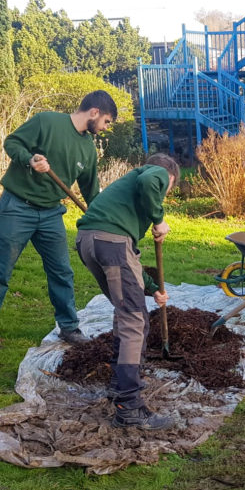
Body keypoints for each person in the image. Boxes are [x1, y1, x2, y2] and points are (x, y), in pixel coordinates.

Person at [0, 90, 117, 357]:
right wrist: (30, 159)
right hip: (17, 208)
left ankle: (68, 327)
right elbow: (13, 143)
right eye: (106, 122)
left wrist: (104, 219)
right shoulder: (47, 122)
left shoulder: (87, 148)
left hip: (51, 214)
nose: (104, 128)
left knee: (61, 272)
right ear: (94, 112)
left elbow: (91, 191)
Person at [75, 154, 179, 429]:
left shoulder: (121, 207)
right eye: (167, 191)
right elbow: (149, 182)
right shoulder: (155, 173)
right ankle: (129, 406)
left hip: (90, 241)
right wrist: (158, 220)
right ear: (169, 179)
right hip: (110, 244)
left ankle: (117, 384)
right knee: (135, 321)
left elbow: (128, 258)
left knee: (125, 312)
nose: (163, 197)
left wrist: (154, 289)